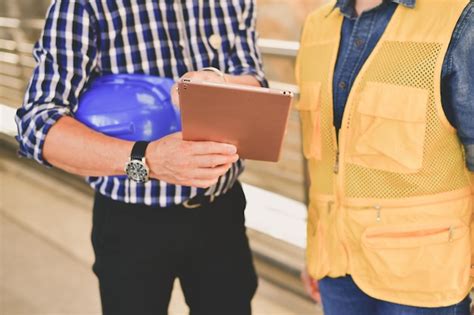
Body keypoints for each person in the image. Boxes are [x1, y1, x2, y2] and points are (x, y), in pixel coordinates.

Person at [15, 1, 266, 314]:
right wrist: (148, 159)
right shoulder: (83, 5)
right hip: (131, 221)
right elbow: (37, 124)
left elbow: (254, 78)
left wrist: (222, 84)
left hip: (221, 210)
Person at [295, 0, 474, 314]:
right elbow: (322, 159)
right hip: (336, 267)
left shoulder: (458, 17)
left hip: (424, 279)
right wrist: (313, 252)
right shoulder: (316, 26)